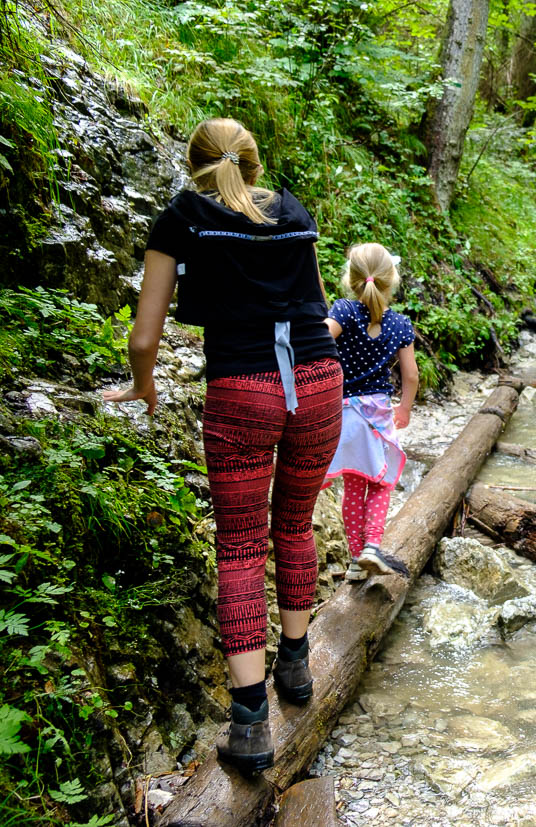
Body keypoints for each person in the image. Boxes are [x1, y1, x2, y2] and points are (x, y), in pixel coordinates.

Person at [103, 118, 342, 775]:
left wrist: (141, 385)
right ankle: (295, 666)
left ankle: (249, 722)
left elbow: (144, 337)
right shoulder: (294, 210)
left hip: (242, 388)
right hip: (319, 380)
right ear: (256, 165)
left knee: (239, 546)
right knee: (294, 523)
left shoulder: (183, 217)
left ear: (194, 166)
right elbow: (320, 309)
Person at [322, 243, 418, 582]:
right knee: (380, 483)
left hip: (344, 414)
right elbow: (410, 376)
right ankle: (372, 547)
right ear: (391, 281)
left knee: (353, 487)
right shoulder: (401, 324)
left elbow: (320, 339)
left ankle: (354, 559)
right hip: (377, 415)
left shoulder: (344, 311)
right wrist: (404, 408)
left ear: (351, 279)